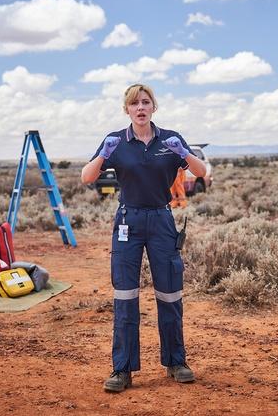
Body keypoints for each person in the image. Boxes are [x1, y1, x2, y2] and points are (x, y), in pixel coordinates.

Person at [82, 83, 207, 392]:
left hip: (162, 219)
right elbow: (87, 177)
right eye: (134, 103)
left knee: (170, 293)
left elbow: (202, 171)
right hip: (128, 220)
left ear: (154, 107)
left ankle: (176, 362)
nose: (140, 107)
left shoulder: (170, 139)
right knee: (125, 296)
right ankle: (122, 370)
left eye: (145, 102)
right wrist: (103, 156)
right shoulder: (116, 142)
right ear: (127, 109)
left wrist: (184, 153)